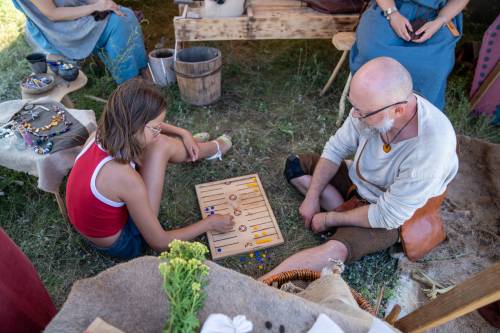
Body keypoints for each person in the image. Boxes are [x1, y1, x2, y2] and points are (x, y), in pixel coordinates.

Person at [260, 57, 458, 280]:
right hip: (360, 180)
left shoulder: (432, 148)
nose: (355, 115)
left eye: (362, 112)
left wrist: (330, 219)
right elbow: (335, 148)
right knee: (296, 166)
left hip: (389, 215)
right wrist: (312, 196)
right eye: (354, 106)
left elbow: (387, 215)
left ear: (398, 110)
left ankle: (263, 283)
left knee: (335, 251)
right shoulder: (371, 108)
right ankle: (344, 208)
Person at [65, 79, 235, 259]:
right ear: (135, 125)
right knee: (160, 144)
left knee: (159, 142)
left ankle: (197, 147)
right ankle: (210, 149)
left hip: (93, 226)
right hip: (123, 243)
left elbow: (149, 126)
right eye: (155, 128)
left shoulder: (100, 133)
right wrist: (209, 224)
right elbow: (159, 243)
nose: (158, 131)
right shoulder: (125, 178)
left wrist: (182, 133)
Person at [350, 0, 469, 110]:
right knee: (373, 53)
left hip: (437, 17)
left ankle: (418, 115)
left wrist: (441, 20)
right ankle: (371, 106)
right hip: (389, 7)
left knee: (434, 65)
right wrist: (392, 13)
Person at [12, 0, 148, 84]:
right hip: (59, 25)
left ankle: (142, 70)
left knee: (125, 14)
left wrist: (101, 2)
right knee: (118, 25)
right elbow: (52, 13)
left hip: (75, 7)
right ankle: (129, 83)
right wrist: (96, 7)